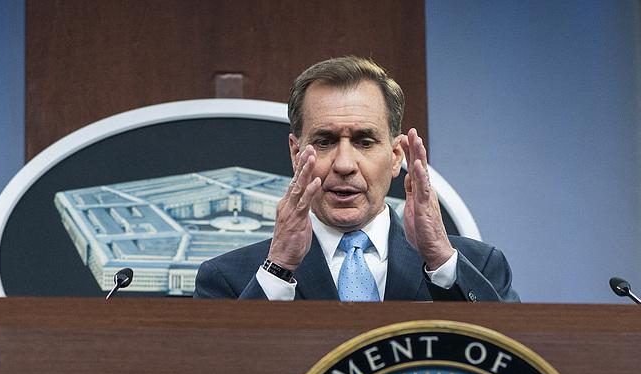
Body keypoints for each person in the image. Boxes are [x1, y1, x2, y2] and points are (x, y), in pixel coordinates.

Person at [194, 56, 518, 302]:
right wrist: (278, 268)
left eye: (364, 142)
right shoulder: (227, 279)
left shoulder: (478, 266)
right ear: (296, 153)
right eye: (325, 142)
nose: (345, 164)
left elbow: (510, 361)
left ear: (396, 156)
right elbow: (222, 367)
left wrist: (438, 259)